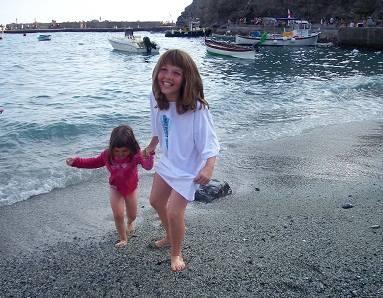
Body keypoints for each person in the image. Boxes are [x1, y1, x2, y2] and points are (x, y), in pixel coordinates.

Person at [144, 49, 220, 272]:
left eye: (176, 73)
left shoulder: (197, 109)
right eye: (164, 70)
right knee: (156, 201)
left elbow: (210, 142)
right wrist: (152, 145)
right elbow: (158, 126)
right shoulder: (156, 97)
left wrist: (209, 166)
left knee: (175, 211)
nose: (167, 76)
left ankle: (176, 253)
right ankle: (169, 235)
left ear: (187, 78)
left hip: (189, 167)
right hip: (169, 160)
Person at [66, 124, 154, 248]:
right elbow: (93, 162)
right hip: (115, 188)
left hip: (131, 189)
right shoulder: (107, 155)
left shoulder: (136, 155)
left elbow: (148, 167)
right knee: (118, 215)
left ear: (131, 147)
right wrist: (76, 162)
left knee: (132, 215)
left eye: (124, 151)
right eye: (117, 151)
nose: (120, 154)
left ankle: (129, 223)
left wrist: (149, 155)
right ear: (111, 147)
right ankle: (123, 238)